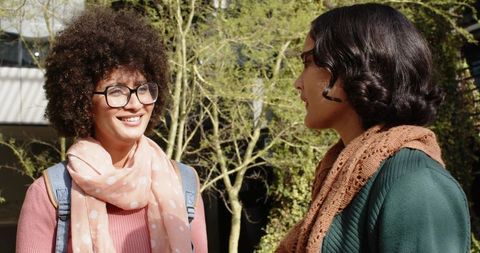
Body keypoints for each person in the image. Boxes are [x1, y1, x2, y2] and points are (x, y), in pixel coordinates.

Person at [277, 3, 470, 253]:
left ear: (351, 65)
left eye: (308, 62)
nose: (297, 83)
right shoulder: (339, 179)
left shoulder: (414, 185)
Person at [16, 7, 208, 253]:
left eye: (143, 88)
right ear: (84, 102)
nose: (136, 104)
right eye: (116, 91)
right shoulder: (50, 194)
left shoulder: (185, 186)